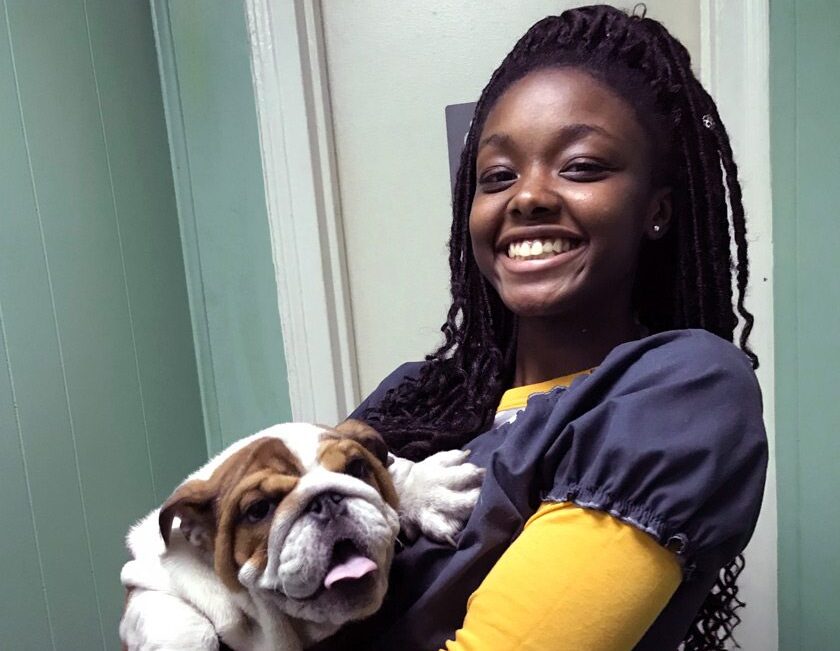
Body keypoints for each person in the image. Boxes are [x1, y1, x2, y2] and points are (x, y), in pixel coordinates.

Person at [314, 5, 768, 651]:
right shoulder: (413, 396)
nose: (526, 197)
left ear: (656, 210)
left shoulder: (682, 393)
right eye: (497, 176)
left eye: (581, 166)